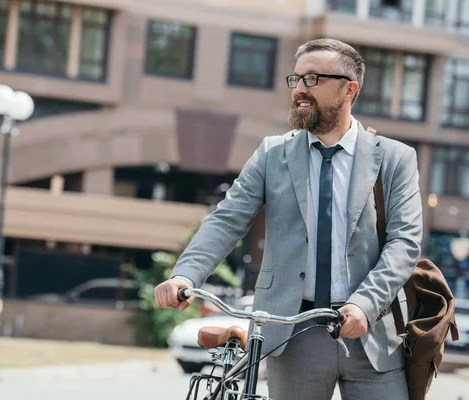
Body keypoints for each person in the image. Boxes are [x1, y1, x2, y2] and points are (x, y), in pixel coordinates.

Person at [155, 38, 422, 400]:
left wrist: (365, 303)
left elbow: (404, 242)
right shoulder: (272, 153)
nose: (299, 89)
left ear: (348, 89)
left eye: (312, 79)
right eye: (295, 79)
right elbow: (227, 219)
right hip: (293, 335)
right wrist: (185, 273)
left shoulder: (394, 158)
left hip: (371, 335)